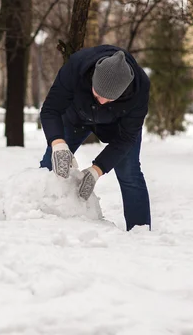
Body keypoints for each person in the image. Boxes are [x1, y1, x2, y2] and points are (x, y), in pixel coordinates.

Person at [39, 46, 151, 231]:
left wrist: (97, 170)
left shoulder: (140, 89)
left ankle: (140, 231)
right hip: (76, 118)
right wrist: (58, 144)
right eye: (97, 94)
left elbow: (126, 138)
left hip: (117, 128)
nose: (101, 101)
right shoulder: (76, 67)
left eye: (109, 99)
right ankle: (36, 217)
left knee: (130, 173)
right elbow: (51, 109)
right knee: (51, 165)